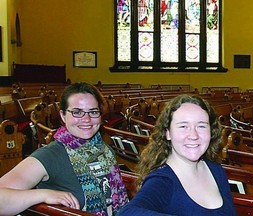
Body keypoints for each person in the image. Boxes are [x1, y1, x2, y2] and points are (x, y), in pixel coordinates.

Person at [0, 82, 128, 216]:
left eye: (93, 112)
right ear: (62, 115)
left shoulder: (104, 149)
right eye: (77, 112)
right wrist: (43, 195)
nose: (86, 119)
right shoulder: (50, 155)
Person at [118, 94, 237, 215]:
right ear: (168, 133)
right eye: (183, 126)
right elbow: (126, 213)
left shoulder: (216, 170)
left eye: (201, 126)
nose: (193, 135)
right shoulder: (163, 180)